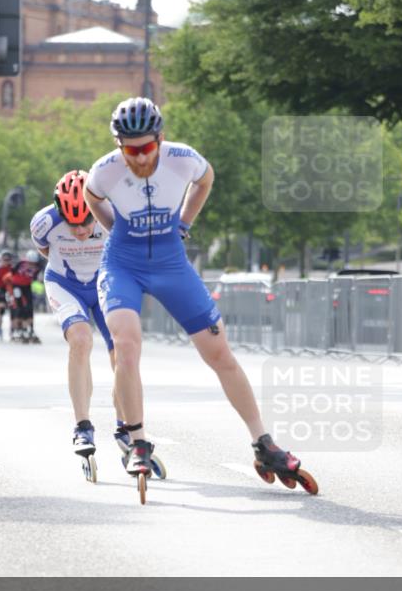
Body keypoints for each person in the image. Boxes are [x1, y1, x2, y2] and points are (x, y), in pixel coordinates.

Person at [84, 97, 308, 481]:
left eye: (147, 147)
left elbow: (206, 179)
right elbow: (92, 197)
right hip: (123, 264)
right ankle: (137, 440)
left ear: (161, 138)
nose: (138, 158)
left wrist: (184, 222)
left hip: (172, 264)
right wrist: (114, 232)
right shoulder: (104, 171)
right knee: (126, 345)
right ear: (119, 145)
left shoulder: (183, 159)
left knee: (220, 353)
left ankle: (263, 442)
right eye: (130, 150)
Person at [30, 170, 126, 458]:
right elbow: (46, 251)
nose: (81, 230)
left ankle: (125, 426)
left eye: (86, 221)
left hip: (104, 282)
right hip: (65, 283)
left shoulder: (116, 215)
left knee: (122, 351)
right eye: (72, 223)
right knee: (81, 341)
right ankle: (82, 426)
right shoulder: (43, 223)